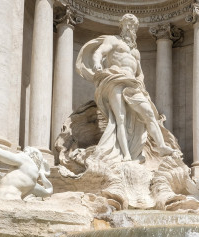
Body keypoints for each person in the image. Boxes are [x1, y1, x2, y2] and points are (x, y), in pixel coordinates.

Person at [75, 13, 175, 163]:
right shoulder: (113, 40)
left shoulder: (135, 52)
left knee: (149, 113)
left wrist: (141, 85)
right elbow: (99, 52)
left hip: (133, 84)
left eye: (133, 26)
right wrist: (97, 63)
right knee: (120, 118)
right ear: (122, 26)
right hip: (115, 79)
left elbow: (139, 73)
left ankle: (161, 146)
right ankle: (126, 155)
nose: (130, 28)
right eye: (128, 24)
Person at [0, 120, 53, 200]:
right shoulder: (33, 181)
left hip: (6, 201)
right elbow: (48, 192)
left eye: (25, 151)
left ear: (32, 155)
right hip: (10, 201)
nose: (22, 153)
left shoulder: (26, 160)